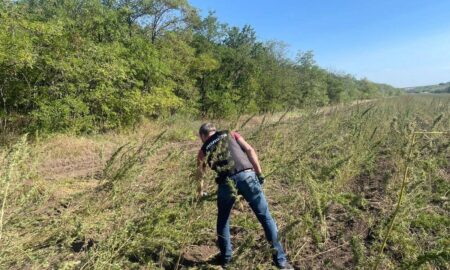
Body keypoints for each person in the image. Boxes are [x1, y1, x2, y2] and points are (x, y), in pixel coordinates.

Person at [196, 123, 294, 269]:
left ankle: (226, 259)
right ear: (214, 130)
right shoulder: (231, 133)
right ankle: (281, 262)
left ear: (203, 136)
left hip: (225, 183)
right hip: (247, 176)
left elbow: (200, 173)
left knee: (223, 221)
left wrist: (200, 192)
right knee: (265, 218)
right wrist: (259, 173)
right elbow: (249, 149)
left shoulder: (203, 149)